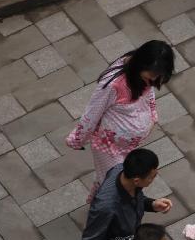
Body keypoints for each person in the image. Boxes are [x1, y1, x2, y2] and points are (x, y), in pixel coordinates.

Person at [66, 39, 174, 202]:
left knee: (114, 179)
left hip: (128, 145)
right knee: (112, 182)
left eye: (159, 75)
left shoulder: (146, 77)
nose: (155, 79)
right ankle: (101, 205)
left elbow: (149, 94)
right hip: (108, 147)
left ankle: (99, 200)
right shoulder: (113, 85)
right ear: (141, 64)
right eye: (153, 75)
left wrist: (153, 116)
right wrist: (78, 139)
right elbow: (92, 114)